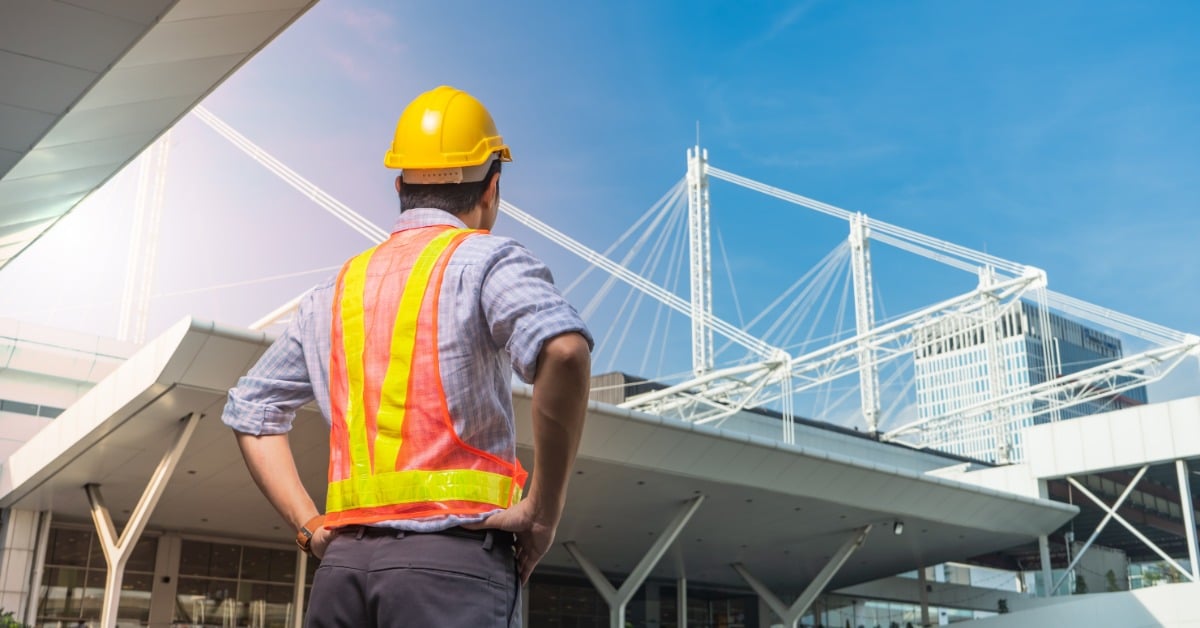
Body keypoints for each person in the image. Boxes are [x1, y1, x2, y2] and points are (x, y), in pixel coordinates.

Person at [222, 85, 592, 627]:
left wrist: (308, 525)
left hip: (343, 571)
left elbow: (250, 411)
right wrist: (542, 511)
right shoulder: (488, 260)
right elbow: (564, 351)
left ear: (399, 185)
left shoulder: (335, 291)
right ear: (492, 187)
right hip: (453, 566)